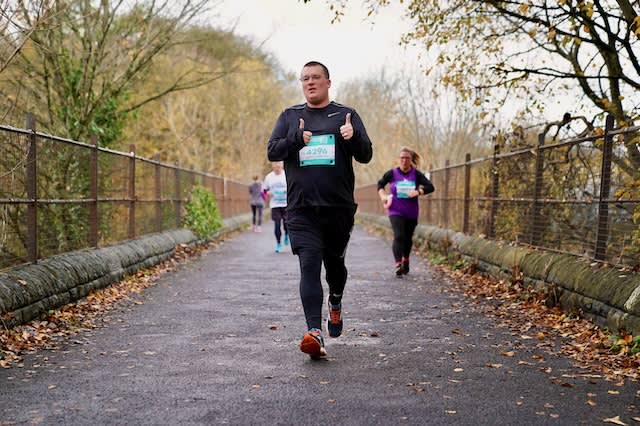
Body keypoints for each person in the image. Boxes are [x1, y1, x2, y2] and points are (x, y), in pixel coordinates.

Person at [267, 61, 373, 359]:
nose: (310, 82)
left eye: (316, 78)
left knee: (335, 266)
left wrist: (354, 138)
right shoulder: (290, 116)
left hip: (338, 208)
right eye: (305, 79)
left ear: (328, 82)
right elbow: (273, 151)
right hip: (301, 209)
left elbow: (366, 155)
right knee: (309, 264)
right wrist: (294, 140)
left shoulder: (346, 114)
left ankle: (335, 302)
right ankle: (314, 331)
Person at [377, 146, 435, 277]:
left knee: (408, 238)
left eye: (407, 158)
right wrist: (383, 196)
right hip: (395, 210)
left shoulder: (416, 174)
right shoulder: (392, 173)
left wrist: (418, 191)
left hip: (411, 211)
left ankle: (406, 260)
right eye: (402, 158)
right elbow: (380, 184)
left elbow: (431, 187)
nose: (404, 160)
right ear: (399, 159)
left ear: (410, 160)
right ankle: (398, 264)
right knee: (399, 236)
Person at [262, 161, 289, 252]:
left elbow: (294, 188)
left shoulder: (287, 174)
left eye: (279, 163)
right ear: (272, 165)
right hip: (275, 205)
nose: (277, 165)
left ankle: (287, 234)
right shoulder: (269, 177)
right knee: (277, 225)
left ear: (282, 164)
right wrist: (267, 196)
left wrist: (287, 192)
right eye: (275, 163)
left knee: (287, 223)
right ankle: (278, 244)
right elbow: (263, 191)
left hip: (286, 204)